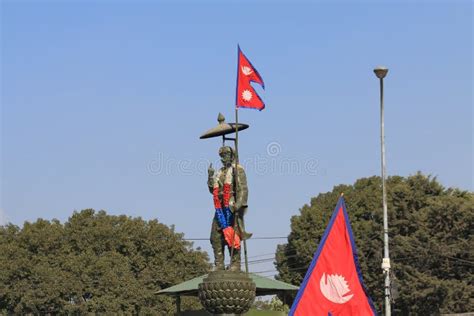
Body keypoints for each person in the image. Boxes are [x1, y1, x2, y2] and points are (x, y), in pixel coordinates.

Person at [208, 146, 251, 271]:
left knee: (233, 235)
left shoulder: (237, 169)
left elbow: (243, 189)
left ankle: (235, 263)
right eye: (222, 155)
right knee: (215, 236)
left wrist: (238, 205)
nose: (223, 158)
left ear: (232, 156)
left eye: (226, 154)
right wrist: (210, 177)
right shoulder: (220, 172)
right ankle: (219, 263)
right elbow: (213, 190)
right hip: (220, 207)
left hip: (231, 206)